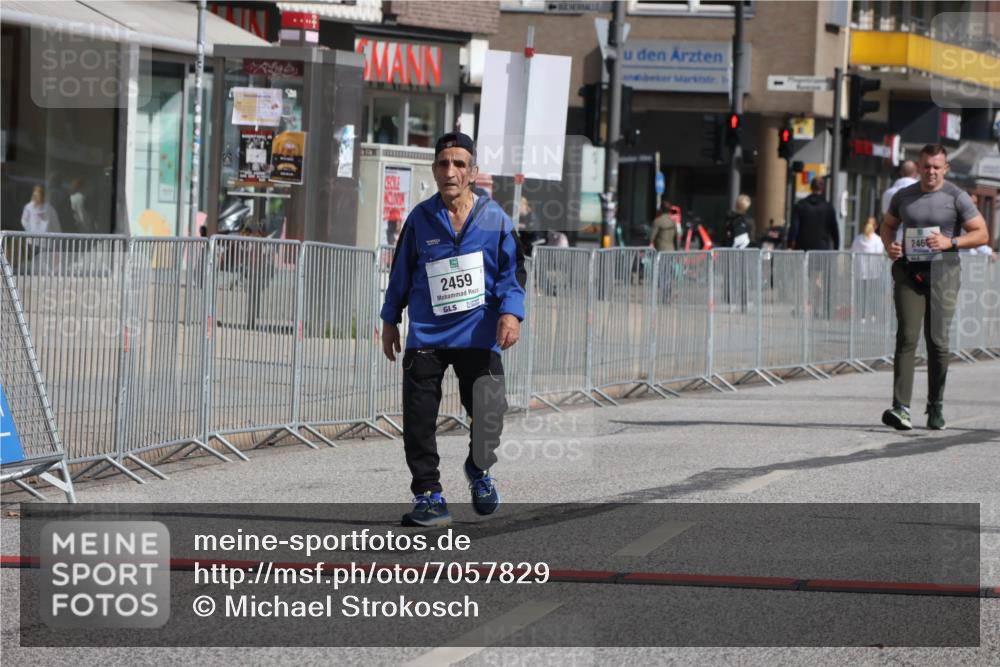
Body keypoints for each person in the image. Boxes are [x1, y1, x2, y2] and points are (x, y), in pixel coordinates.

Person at [380, 132, 526, 527]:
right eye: (444, 163)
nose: (451, 171)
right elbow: (400, 272)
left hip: (478, 334)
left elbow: (514, 273)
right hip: (427, 334)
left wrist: (511, 314)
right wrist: (390, 319)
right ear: (434, 170)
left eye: (459, 164)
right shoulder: (420, 218)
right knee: (419, 420)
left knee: (490, 414)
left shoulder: (495, 219)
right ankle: (429, 495)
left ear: (473, 171)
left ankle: (479, 469)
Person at [879, 144, 988, 431]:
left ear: (945, 168)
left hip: (944, 273)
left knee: (938, 343)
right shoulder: (905, 196)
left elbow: (982, 233)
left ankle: (935, 404)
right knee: (907, 336)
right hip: (909, 272)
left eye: (937, 167)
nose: (931, 172)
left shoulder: (956, 197)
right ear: (919, 165)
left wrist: (950, 242)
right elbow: (887, 225)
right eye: (927, 166)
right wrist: (889, 245)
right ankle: (901, 407)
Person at [850, 216, 886, 322]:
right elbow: (880, 256)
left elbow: (853, 253)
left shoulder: (858, 239)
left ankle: (862, 316)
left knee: (861, 294)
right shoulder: (878, 240)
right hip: (874, 271)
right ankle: (873, 314)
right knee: (873, 293)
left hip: (860, 271)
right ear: (875, 226)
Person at [789, 178, 839, 250]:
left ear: (811, 187)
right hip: (821, 249)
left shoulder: (800, 205)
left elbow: (794, 227)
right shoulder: (828, 207)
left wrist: (790, 244)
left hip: (802, 248)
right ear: (822, 188)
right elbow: (834, 229)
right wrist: (836, 247)